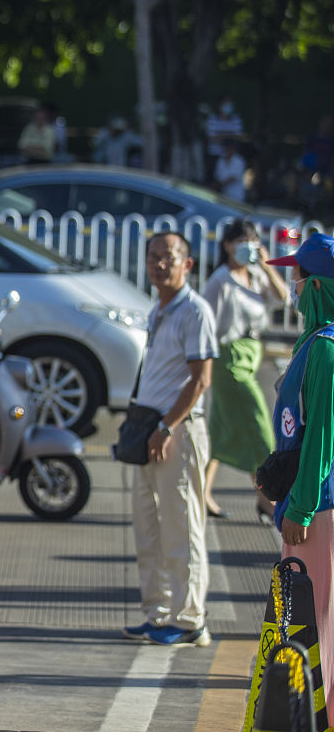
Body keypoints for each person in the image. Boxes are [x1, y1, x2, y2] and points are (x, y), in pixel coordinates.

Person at [121, 232, 216, 647]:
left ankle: (190, 617)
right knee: (149, 526)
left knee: (182, 526)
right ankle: (158, 611)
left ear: (187, 264)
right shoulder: (159, 309)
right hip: (151, 430)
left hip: (176, 430)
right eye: (154, 257)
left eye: (169, 257)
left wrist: (167, 427)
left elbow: (201, 380)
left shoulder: (194, 311)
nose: (161, 264)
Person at [263, 233, 334, 677]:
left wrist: (304, 508)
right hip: (304, 504)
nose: (292, 283)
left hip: (318, 510)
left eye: (298, 274)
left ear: (318, 287)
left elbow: (323, 439)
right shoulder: (312, 342)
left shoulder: (326, 349)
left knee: (317, 626)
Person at [201, 220, 287, 519]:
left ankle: (200, 493)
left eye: (251, 241)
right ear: (226, 245)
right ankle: (266, 498)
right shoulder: (220, 280)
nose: (246, 246)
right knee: (259, 428)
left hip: (251, 355)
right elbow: (206, 323)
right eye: (240, 241)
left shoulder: (254, 275)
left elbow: (283, 297)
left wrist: (266, 266)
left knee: (221, 432)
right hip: (229, 360)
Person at [206, 94, 243, 169]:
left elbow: (239, 137)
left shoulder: (236, 119)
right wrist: (230, 136)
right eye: (226, 103)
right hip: (215, 155)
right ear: (220, 105)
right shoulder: (213, 119)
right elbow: (212, 138)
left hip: (231, 157)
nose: (228, 105)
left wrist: (221, 135)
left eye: (230, 103)